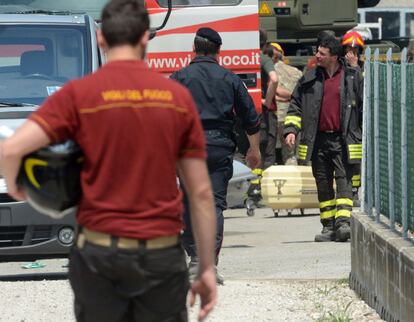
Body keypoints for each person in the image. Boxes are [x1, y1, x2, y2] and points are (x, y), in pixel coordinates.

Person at [1, 1, 217, 321]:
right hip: (160, 254)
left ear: (101, 38)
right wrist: (207, 269)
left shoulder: (80, 95)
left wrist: (21, 188)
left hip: (98, 254)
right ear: (146, 37)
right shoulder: (175, 98)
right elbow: (200, 193)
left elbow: (10, 150)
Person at [171, 27, 261, 284]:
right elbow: (250, 120)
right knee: (214, 205)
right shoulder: (230, 79)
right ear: (219, 52)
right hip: (220, 149)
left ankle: (196, 262)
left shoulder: (179, 77)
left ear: (194, 49)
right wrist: (253, 151)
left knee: (189, 202)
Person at [284, 36, 363, 243]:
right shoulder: (309, 78)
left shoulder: (351, 77)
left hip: (343, 139)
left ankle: (343, 223)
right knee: (323, 183)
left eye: (321, 53)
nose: (317, 56)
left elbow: (364, 105)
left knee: (344, 179)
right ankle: (328, 226)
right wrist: (291, 129)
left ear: (334, 57)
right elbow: (295, 106)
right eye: (317, 52)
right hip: (317, 140)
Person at [267, 42, 302, 165]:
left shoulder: (268, 70)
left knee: (268, 153)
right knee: (290, 154)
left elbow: (272, 91)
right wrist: (291, 98)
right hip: (291, 118)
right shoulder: (296, 72)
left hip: (272, 118)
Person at [341, 30, 365, 206]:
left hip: (357, 120)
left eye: (355, 52)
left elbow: (361, 92)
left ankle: (355, 191)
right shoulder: (339, 70)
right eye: (349, 51)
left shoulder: (361, 70)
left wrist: (355, 68)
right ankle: (345, 190)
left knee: (355, 159)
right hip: (343, 120)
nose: (352, 55)